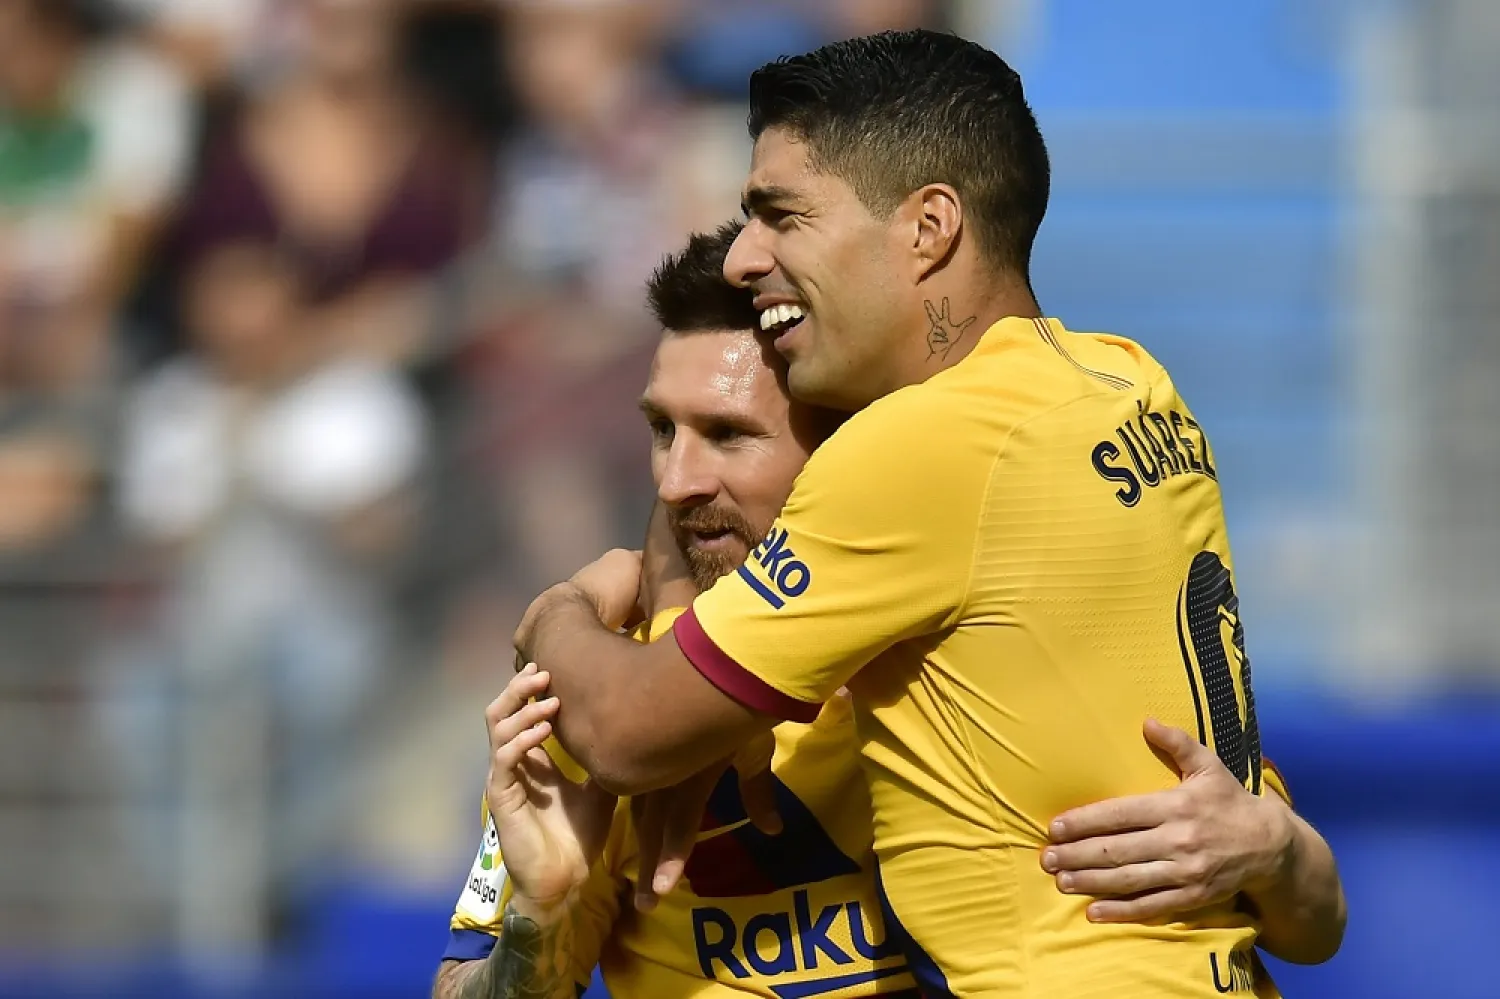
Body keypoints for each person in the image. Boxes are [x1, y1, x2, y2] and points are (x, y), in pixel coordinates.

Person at [513, 31, 1346, 998]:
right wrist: (1282, 846)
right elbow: (1315, 923)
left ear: (928, 227)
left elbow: (619, 728)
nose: (745, 257)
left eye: (781, 215)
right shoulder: (1131, 384)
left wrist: (552, 616)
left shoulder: (920, 450)